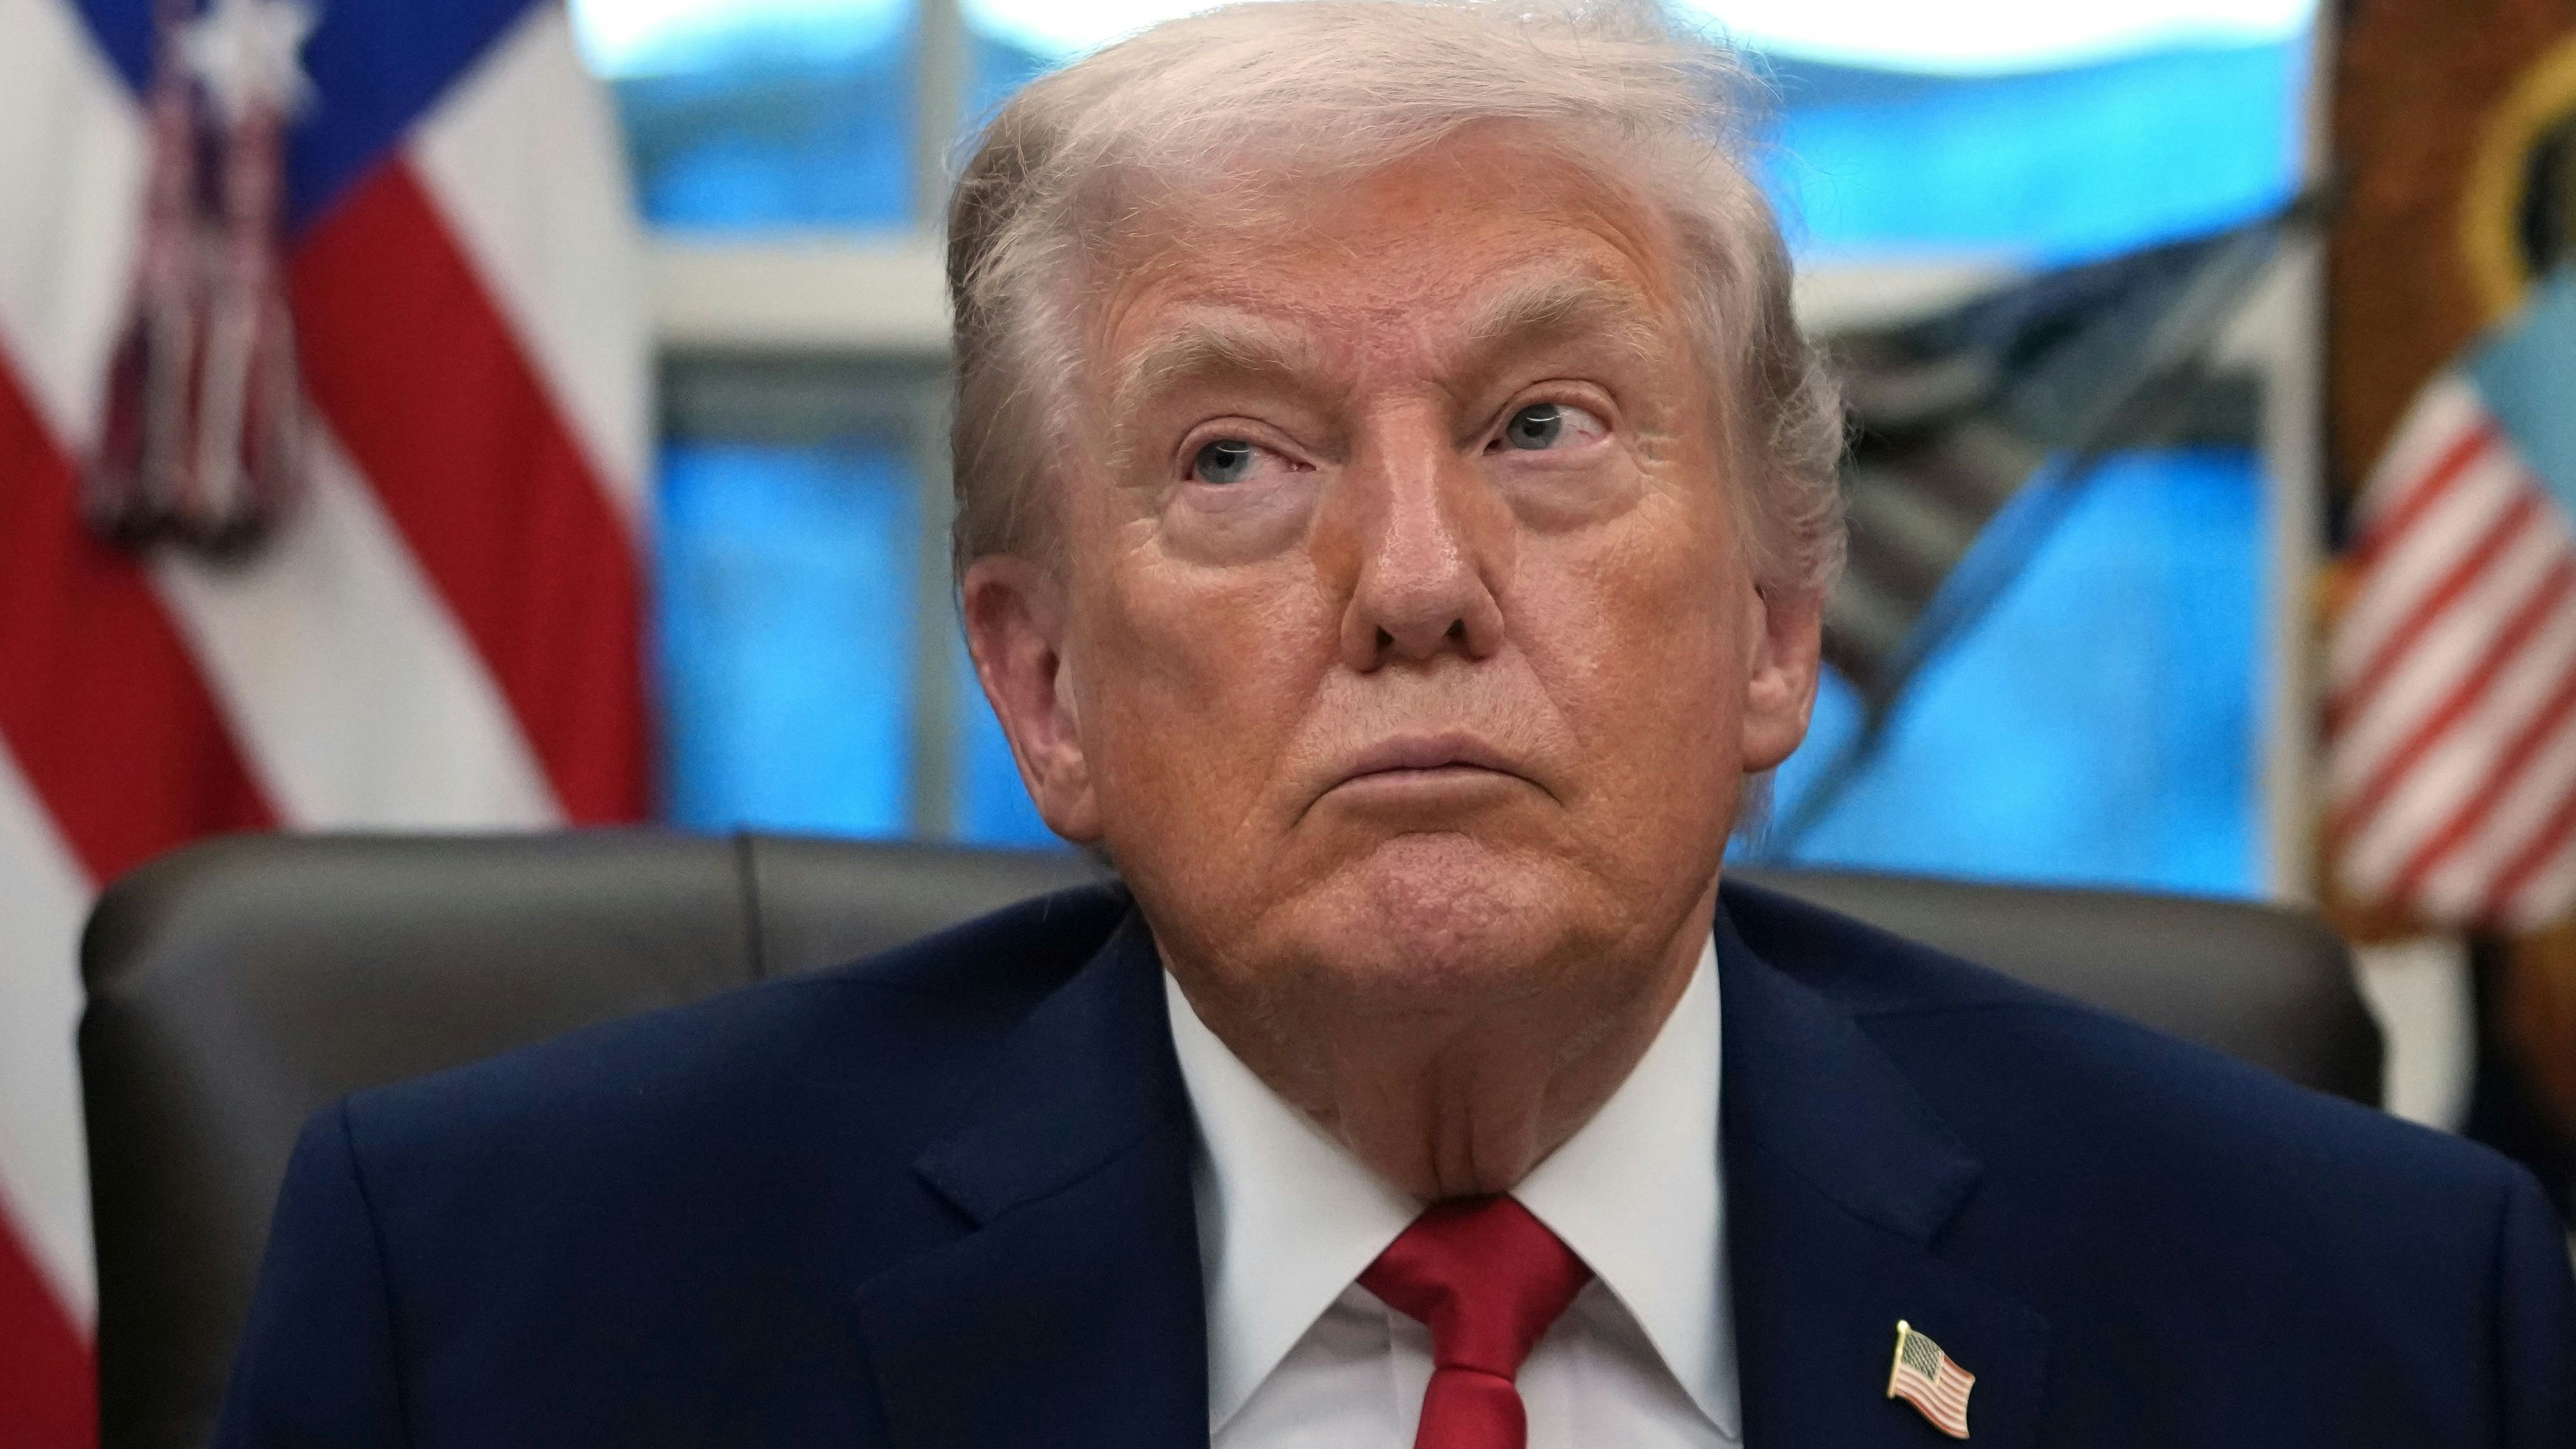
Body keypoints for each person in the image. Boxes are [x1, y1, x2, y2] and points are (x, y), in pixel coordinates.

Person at [215, 3, 2576, 1444]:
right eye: (1235, 458)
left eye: (1549, 423)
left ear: (1774, 616)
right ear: (1042, 687)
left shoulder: (2367, 1326)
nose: (1419, 583)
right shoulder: (511, 1322)